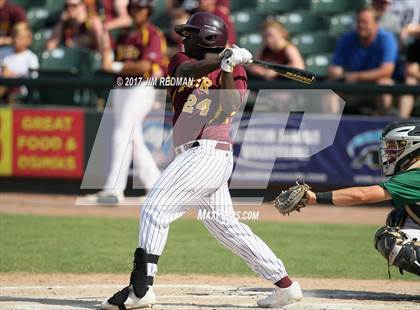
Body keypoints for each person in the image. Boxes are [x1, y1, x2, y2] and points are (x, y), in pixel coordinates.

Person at [100, 12, 303, 309]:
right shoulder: (179, 60)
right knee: (226, 227)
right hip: (198, 155)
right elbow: (187, 72)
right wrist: (223, 59)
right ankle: (286, 285)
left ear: (206, 37)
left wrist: (229, 68)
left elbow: (232, 104)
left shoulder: (235, 70)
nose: (183, 39)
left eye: (190, 34)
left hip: (208, 152)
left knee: (155, 209)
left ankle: (141, 289)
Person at [305, 121, 420, 276]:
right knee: (398, 218)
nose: (390, 151)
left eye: (396, 145)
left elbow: (363, 195)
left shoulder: (416, 175)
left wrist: (315, 198)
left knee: (390, 239)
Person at [85, 0, 165, 205]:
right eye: (135, 8)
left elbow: (146, 65)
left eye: (142, 8)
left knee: (122, 134)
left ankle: (114, 189)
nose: (138, 12)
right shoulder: (124, 34)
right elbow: (107, 56)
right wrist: (103, 42)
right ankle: (159, 187)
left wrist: (115, 66)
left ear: (149, 11)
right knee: (133, 138)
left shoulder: (152, 33)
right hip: (121, 88)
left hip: (141, 88)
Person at [328, 5, 398, 115]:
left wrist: (356, 76)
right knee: (332, 87)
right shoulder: (347, 38)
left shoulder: (386, 38)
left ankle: (384, 127)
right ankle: (331, 127)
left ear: (376, 24)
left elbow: (387, 71)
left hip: (374, 87)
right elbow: (336, 67)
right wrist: (336, 72)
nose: (361, 26)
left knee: (384, 84)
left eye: (365, 22)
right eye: (359, 22)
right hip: (352, 88)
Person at [0, 22, 38, 103]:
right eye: (14, 36)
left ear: (28, 40)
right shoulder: (2, 52)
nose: (16, 40)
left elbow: (33, 79)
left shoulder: (31, 58)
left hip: (20, 95)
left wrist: (11, 76)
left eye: (20, 37)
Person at [398, 38, 420, 119]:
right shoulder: (416, 45)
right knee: (410, 81)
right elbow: (411, 70)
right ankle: (402, 121)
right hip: (417, 82)